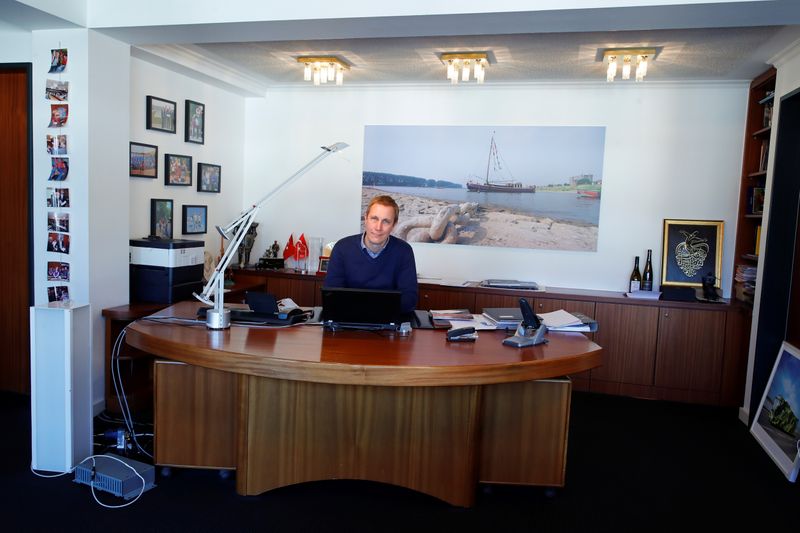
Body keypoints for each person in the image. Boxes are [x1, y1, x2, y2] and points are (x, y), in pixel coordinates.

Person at [324, 195, 418, 313]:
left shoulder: (404, 251)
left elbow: (409, 300)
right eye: (374, 218)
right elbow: (331, 295)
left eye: (386, 221)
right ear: (366, 219)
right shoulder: (342, 248)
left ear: (393, 225)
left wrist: (364, 306)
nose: (378, 227)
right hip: (348, 321)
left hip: (388, 324)